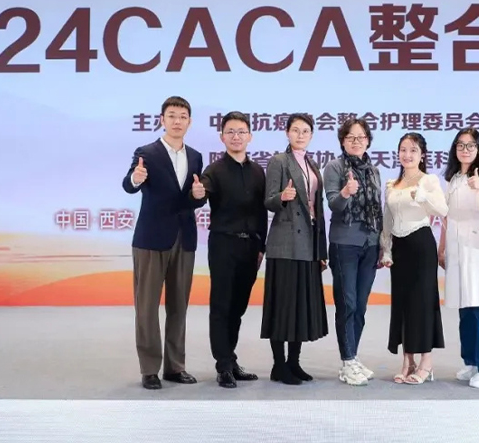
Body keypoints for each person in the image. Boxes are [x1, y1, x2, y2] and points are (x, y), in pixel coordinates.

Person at [121, 96, 206, 390]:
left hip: (184, 238)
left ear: (189, 122)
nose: (177, 121)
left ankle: (175, 367)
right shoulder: (146, 153)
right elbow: (129, 185)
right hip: (151, 239)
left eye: (183, 116)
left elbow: (193, 196)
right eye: (172, 115)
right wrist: (135, 178)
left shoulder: (195, 156)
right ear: (162, 120)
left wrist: (199, 196)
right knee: (146, 307)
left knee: (178, 306)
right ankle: (149, 369)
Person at [197, 111, 267, 388]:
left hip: (251, 247)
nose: (236, 137)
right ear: (222, 137)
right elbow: (200, 194)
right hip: (223, 245)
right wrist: (197, 194)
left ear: (250, 136)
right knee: (221, 306)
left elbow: (262, 212)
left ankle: (231, 359)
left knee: (238, 306)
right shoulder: (214, 171)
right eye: (230, 132)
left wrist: (261, 246)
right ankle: (223, 365)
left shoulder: (258, 171)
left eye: (241, 132)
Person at [261, 113, 329, 385]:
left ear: (311, 135)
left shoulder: (312, 164)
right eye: (296, 130)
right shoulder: (279, 161)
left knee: (300, 306)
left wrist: (321, 250)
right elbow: (268, 200)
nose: (301, 135)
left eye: (306, 131)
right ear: (287, 133)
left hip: (309, 244)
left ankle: (294, 362)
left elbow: (317, 209)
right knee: (283, 305)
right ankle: (278, 365)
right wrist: (282, 196)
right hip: (286, 244)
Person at [380, 132, 448, 385]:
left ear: (422, 155)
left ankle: (426, 363)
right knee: (402, 303)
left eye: (413, 150)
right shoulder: (392, 184)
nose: (407, 155)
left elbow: (443, 210)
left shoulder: (429, 181)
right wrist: (386, 249)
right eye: (403, 150)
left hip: (421, 245)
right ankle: (407, 361)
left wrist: (423, 197)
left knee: (422, 302)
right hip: (399, 248)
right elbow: (387, 220)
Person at [439, 128, 479, 389]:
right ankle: (472, 361)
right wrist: (441, 248)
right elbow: (446, 216)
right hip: (456, 249)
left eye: (471, 145)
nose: (465, 150)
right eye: (461, 145)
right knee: (465, 307)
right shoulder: (453, 178)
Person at [322, 117, 382, 386]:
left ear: (368, 141)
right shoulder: (334, 167)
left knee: (360, 305)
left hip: (370, 244)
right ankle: (347, 362)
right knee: (347, 304)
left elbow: (377, 209)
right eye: (351, 138)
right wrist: (346, 192)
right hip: (344, 244)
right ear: (342, 141)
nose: (356, 142)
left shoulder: (374, 170)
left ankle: (353, 357)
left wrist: (382, 244)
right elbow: (333, 204)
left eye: (361, 137)